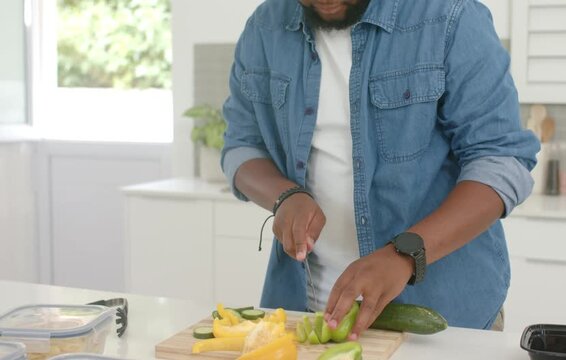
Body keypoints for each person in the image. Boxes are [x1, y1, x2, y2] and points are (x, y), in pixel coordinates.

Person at [221, 0, 540, 340]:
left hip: (440, 317)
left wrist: (406, 253)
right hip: (306, 313)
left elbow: (501, 161)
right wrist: (285, 196)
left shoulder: (451, 17)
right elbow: (241, 147)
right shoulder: (264, 27)